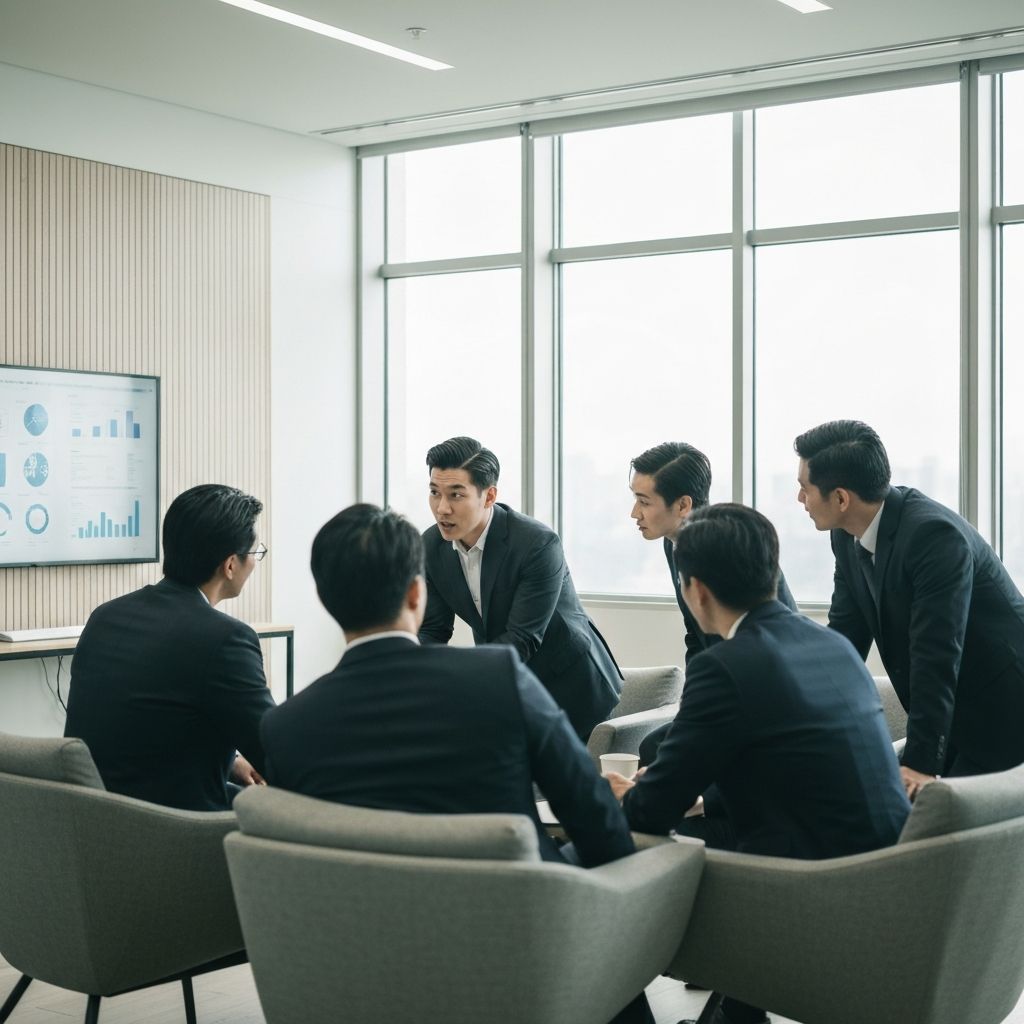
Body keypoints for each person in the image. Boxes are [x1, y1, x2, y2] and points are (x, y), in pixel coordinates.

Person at [261, 503, 652, 1023]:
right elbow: (592, 816)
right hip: (519, 941)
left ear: (325, 599)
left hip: (371, 961)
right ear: (416, 594)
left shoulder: (286, 728)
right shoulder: (497, 676)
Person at [609, 503, 910, 1024]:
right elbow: (796, 773)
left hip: (802, 895)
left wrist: (626, 797)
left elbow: (649, 813)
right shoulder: (833, 646)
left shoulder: (724, 667)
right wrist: (699, 798)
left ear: (695, 590)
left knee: (608, 864)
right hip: (885, 881)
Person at [795, 419, 1024, 799]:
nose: (799, 498)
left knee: (933, 818)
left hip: (1003, 712)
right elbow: (844, 640)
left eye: (805, 488)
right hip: (952, 716)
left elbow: (936, 654)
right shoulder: (846, 535)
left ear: (841, 499)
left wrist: (920, 763)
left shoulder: (933, 537)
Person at [65, 484, 275, 811]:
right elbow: (276, 755)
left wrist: (231, 760)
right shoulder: (227, 639)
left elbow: (146, 726)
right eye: (255, 553)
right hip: (179, 828)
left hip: (96, 821)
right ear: (231, 565)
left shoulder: (106, 616)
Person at [418, 436, 621, 741]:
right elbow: (433, 631)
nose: (442, 508)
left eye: (456, 495)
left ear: (489, 496)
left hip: (571, 685)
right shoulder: (431, 546)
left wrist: (461, 678)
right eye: (435, 492)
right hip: (505, 681)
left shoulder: (536, 543)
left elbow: (523, 638)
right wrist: (412, 671)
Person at [629, 442, 798, 765]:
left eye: (644, 502)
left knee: (663, 752)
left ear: (683, 505)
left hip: (763, 692)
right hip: (725, 686)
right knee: (655, 747)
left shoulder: (728, 546)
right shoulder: (674, 544)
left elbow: (770, 643)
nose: (635, 513)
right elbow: (696, 635)